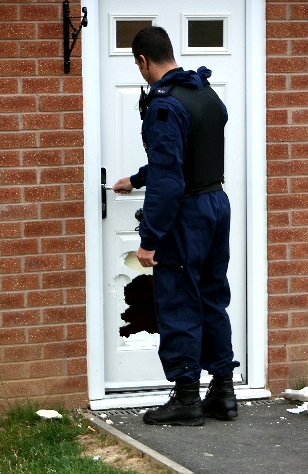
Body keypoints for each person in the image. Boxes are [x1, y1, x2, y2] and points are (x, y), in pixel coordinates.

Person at [113, 26, 240, 426]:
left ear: (142, 61)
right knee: (212, 298)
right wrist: (136, 179)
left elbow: (170, 180)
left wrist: (149, 241)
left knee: (180, 302)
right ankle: (223, 392)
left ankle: (186, 398)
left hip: (187, 216)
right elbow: (186, 158)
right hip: (216, 204)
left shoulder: (163, 104)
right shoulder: (206, 93)